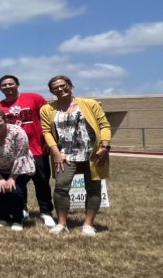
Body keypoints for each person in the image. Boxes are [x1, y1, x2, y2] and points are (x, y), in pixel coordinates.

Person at [40, 75, 111, 236]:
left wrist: (105, 147)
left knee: (93, 188)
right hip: (65, 155)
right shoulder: (47, 109)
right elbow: (46, 132)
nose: (60, 89)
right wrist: (56, 153)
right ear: (51, 91)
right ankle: (62, 223)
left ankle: (88, 224)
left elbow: (104, 125)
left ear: (70, 85)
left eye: (63, 85)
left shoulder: (89, 104)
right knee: (60, 187)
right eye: (55, 87)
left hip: (93, 154)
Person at [0, 75, 54, 227]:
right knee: (19, 183)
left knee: (41, 182)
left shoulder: (34, 98)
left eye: (10, 84)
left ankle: (46, 212)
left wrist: (50, 138)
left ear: (17, 84)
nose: (7, 87)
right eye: (4, 85)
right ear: (0, 88)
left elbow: (49, 118)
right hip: (14, 153)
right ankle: (22, 208)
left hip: (37, 149)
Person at [0, 109, 36, 231]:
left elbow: (21, 156)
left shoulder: (18, 132)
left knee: (15, 192)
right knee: (0, 191)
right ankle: (3, 217)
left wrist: (12, 178)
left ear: (5, 120)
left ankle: (18, 219)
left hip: (20, 168)